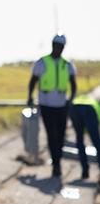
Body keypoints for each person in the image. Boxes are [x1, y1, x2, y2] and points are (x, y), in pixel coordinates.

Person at [27, 34, 77, 178]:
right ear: (52, 45)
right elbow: (33, 81)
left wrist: (71, 100)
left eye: (61, 46)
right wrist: (30, 97)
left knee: (60, 134)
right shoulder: (42, 62)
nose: (58, 48)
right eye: (56, 45)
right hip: (46, 104)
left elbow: (73, 84)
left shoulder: (67, 64)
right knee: (51, 134)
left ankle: (57, 159)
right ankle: (56, 164)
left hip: (62, 105)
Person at [69, 94, 100, 182]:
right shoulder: (95, 105)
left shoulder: (82, 99)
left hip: (74, 108)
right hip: (89, 110)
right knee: (97, 143)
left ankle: (85, 171)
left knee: (79, 140)